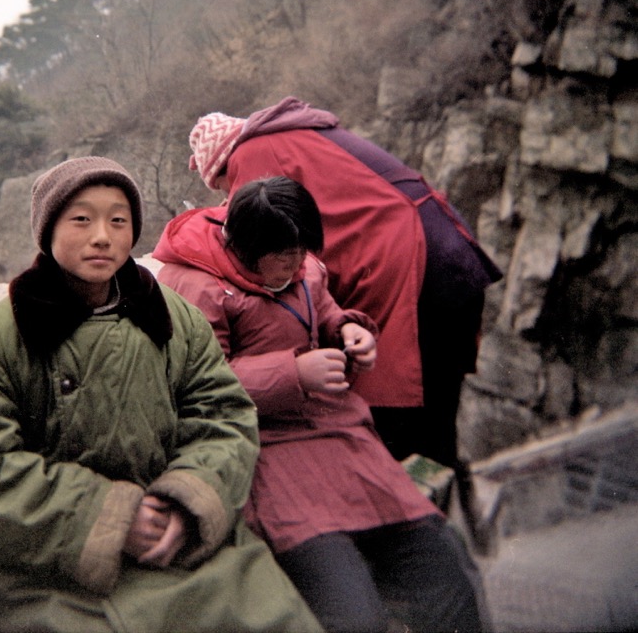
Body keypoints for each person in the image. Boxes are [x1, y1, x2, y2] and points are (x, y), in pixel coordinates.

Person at [0, 157, 322, 633]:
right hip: (67, 574)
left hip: (187, 548)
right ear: (47, 229)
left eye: (118, 220)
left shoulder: (173, 319)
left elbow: (224, 417)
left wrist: (188, 502)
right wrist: (112, 519)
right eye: (81, 219)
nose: (102, 236)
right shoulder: (0, 340)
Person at [154, 177, 485, 633]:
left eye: (302, 252)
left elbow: (323, 308)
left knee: (447, 583)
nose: (297, 265)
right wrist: (294, 374)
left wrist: (348, 330)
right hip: (266, 451)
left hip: (342, 437)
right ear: (243, 246)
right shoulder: (191, 286)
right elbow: (196, 384)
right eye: (284, 256)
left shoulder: (301, 263)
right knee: (353, 617)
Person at [187, 96, 502, 467]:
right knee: (435, 423)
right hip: (447, 251)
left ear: (222, 166)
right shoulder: (295, 133)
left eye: (225, 187)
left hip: (411, 264)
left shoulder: (253, 154)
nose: (229, 196)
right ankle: (447, 511)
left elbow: (251, 247)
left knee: (394, 433)